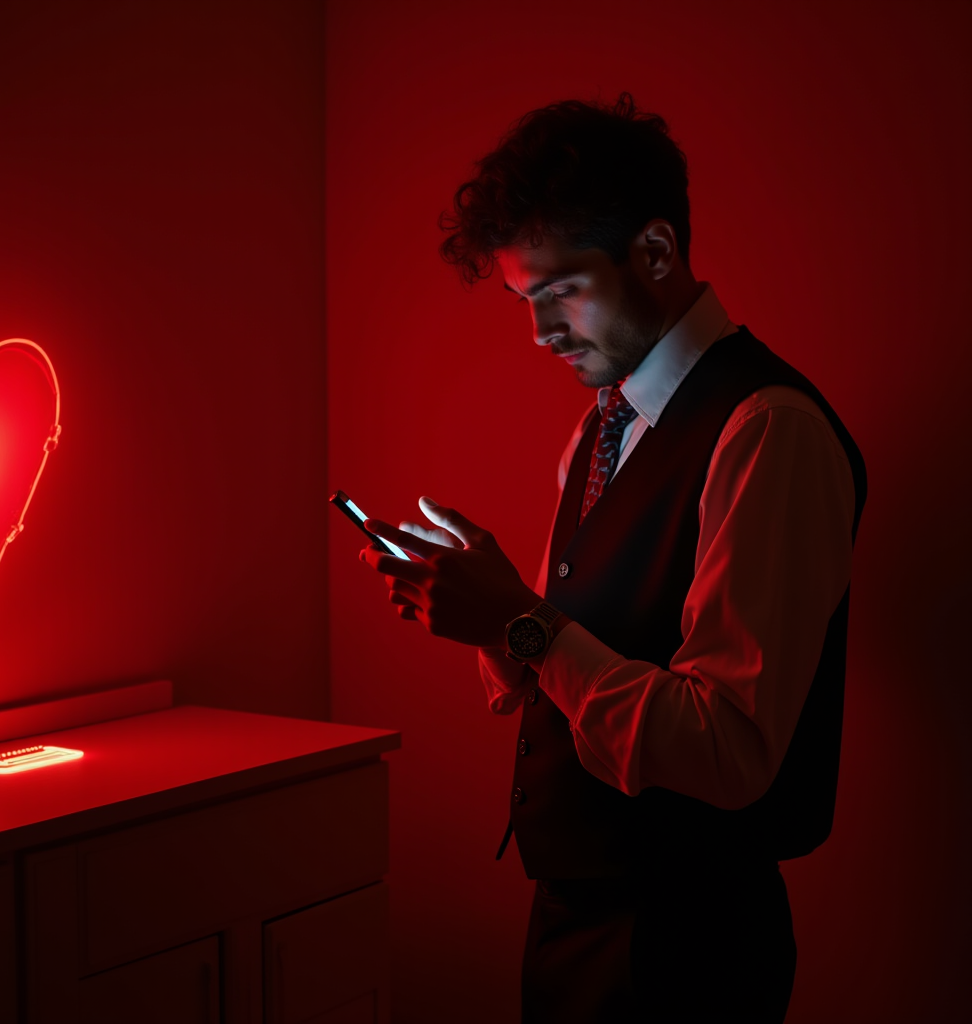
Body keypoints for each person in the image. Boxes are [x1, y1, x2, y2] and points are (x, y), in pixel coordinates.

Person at [358, 93, 866, 1024]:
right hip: (573, 912)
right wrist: (485, 605)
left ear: (658, 253)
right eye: (524, 300)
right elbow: (558, 656)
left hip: (685, 945)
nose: (541, 332)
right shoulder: (601, 432)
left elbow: (728, 748)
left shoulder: (767, 432)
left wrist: (515, 617)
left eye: (560, 291)